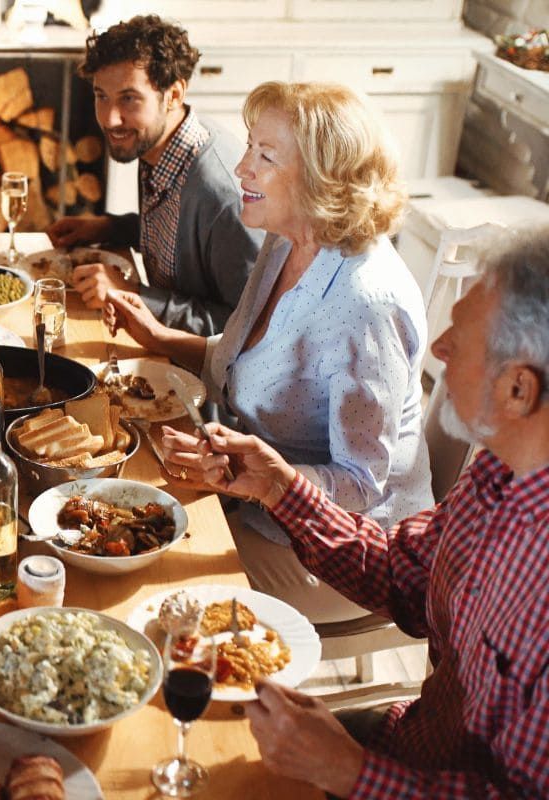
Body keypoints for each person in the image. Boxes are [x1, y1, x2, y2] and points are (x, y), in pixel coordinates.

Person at [160, 227, 549, 798]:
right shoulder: (498, 476)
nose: (437, 349)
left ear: (519, 390)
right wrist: (280, 487)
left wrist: (348, 772)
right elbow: (400, 573)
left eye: (459, 340)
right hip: (406, 743)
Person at [108, 81, 433, 624]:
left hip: (346, 553)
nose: (241, 168)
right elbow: (253, 360)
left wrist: (252, 478)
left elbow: (358, 484)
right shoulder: (287, 240)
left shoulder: (364, 304)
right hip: (260, 503)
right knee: (119, 513)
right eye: (248, 147)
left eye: (265, 154)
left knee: (145, 575)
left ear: (323, 175)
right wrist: (162, 341)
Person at [46, 14, 261, 336]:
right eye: (101, 95)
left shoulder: (224, 197)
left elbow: (249, 327)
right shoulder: (157, 144)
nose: (109, 119)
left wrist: (134, 294)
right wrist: (111, 227)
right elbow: (177, 236)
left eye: (128, 99)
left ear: (174, 95)